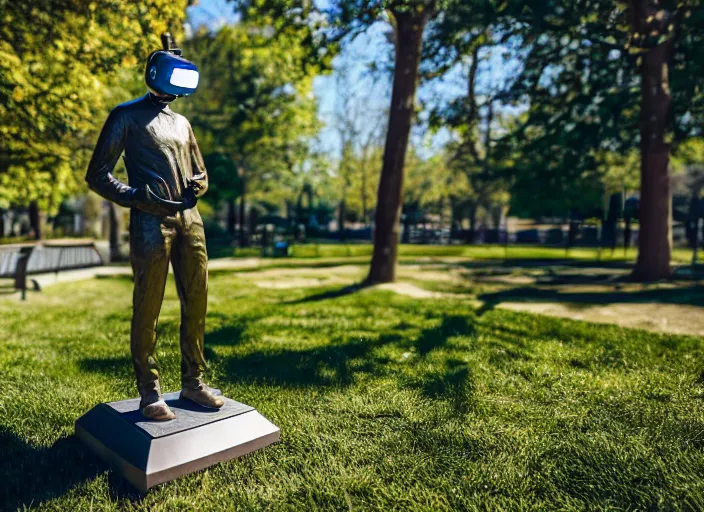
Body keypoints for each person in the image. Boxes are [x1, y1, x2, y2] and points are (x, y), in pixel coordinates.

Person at [85, 35, 223, 421]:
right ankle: (149, 391)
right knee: (149, 306)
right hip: (151, 223)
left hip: (190, 221)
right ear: (157, 73)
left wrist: (200, 184)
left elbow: (200, 169)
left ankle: (193, 382)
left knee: (197, 300)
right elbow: (97, 175)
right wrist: (135, 198)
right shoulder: (125, 116)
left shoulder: (182, 123)